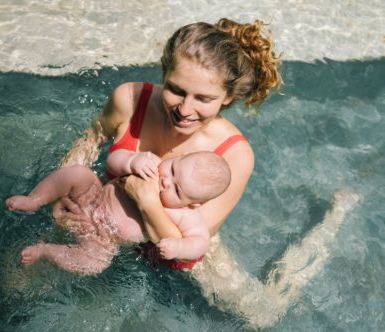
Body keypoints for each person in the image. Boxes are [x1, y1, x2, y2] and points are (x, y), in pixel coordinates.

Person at [51, 18, 361, 328]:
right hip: (102, 210)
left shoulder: (234, 155)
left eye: (204, 99)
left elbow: (186, 247)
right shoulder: (131, 100)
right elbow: (90, 141)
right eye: (176, 90)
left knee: (262, 316)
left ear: (227, 98)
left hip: (181, 241)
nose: (185, 110)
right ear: (164, 72)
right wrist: (67, 199)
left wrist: (144, 201)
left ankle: (334, 219)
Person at [6, 151, 231, 273]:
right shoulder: (151, 163)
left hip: (104, 238)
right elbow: (113, 162)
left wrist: (178, 246)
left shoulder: (186, 214)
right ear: (175, 158)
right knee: (78, 173)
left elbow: (200, 242)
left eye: (177, 189)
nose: (165, 180)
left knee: (96, 263)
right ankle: (34, 200)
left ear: (193, 204)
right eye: (172, 169)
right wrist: (132, 161)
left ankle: (45, 251)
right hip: (92, 197)